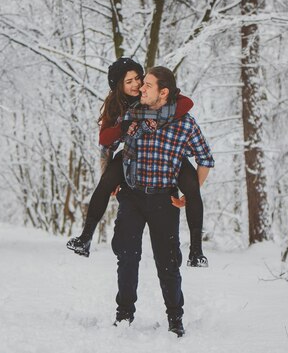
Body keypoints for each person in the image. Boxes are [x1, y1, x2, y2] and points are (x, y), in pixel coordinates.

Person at [66, 58, 209, 267]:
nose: (136, 85)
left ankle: (197, 251)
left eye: (138, 79)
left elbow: (185, 103)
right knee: (106, 182)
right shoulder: (115, 106)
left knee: (191, 185)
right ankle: (85, 237)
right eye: (128, 81)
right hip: (134, 154)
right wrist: (123, 129)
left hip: (168, 153)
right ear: (119, 86)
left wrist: (158, 115)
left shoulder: (150, 95)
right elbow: (105, 142)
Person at [110, 66, 214, 337]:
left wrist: (187, 194)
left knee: (168, 262)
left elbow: (205, 159)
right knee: (127, 257)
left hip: (163, 200)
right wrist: (110, 180)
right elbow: (109, 143)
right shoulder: (134, 113)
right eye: (141, 84)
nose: (141, 88)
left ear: (163, 92)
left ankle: (175, 318)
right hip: (132, 197)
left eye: (148, 85)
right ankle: (124, 315)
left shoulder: (185, 123)